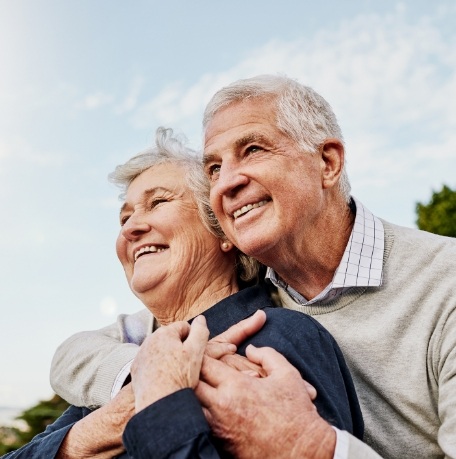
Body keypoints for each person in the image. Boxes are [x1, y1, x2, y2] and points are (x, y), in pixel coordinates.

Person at [52, 75, 456, 459]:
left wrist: (311, 447)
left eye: (253, 150)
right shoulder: (246, 295)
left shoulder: (444, 281)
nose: (226, 183)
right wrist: (142, 377)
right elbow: (77, 353)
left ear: (327, 162)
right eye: (213, 168)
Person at [3, 127, 362, 459]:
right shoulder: (126, 370)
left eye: (158, 202)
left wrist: (162, 402)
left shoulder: (279, 341)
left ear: (223, 231)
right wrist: (100, 429)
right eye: (124, 218)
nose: (131, 228)